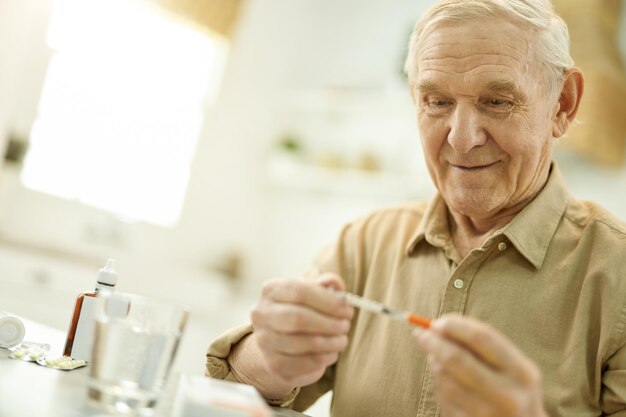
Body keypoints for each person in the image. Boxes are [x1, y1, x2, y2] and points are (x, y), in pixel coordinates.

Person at [206, 1, 626, 416]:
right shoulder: (365, 244)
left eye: (496, 102)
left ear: (563, 104)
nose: (461, 139)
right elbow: (227, 396)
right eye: (437, 102)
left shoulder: (616, 273)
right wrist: (267, 357)